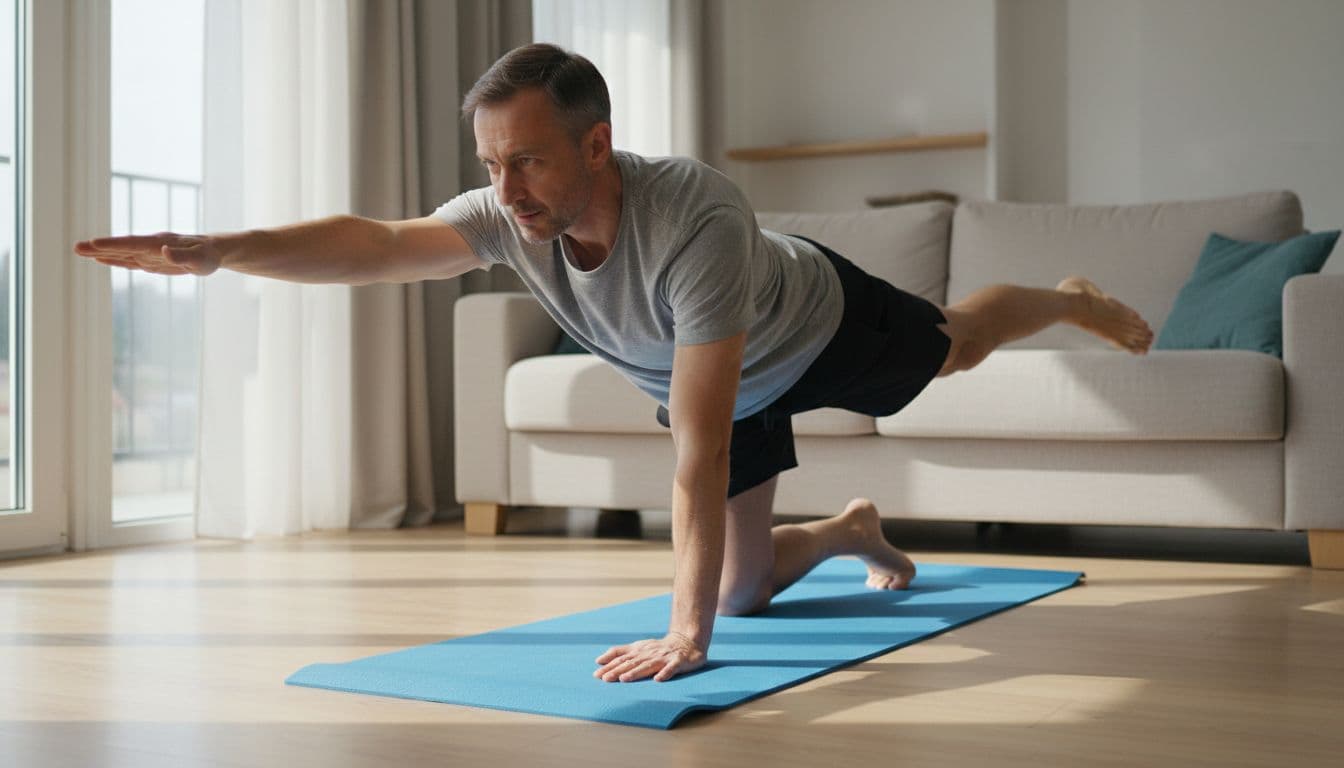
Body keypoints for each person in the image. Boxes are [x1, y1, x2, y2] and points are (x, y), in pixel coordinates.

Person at [73, 43, 1154, 685]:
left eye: (529, 159)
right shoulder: (512, 212)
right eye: (494, 165)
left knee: (957, 346)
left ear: (597, 145)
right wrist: (225, 251)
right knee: (744, 601)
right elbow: (383, 242)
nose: (509, 189)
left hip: (816, 327)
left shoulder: (698, 220)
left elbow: (695, 447)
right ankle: (846, 530)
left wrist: (678, 635)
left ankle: (1064, 301)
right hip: (720, 376)